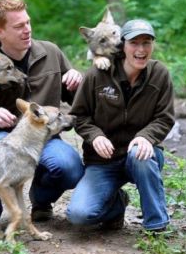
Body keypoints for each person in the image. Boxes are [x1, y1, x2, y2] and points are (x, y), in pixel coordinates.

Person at [0, 0, 85, 241]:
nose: (27, 30)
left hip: (45, 141)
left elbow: (77, 103)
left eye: (27, 23)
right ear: (0, 31)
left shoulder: (51, 52)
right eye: (18, 26)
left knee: (69, 168)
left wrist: (75, 81)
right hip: (4, 141)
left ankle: (40, 201)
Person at [66, 19, 175, 232]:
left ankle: (156, 224)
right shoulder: (96, 75)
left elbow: (165, 117)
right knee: (79, 215)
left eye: (147, 43)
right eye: (134, 43)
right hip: (103, 161)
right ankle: (117, 203)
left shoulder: (159, 74)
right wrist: (95, 136)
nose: (141, 49)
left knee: (140, 155)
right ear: (122, 45)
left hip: (141, 155)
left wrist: (146, 136)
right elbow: (79, 116)